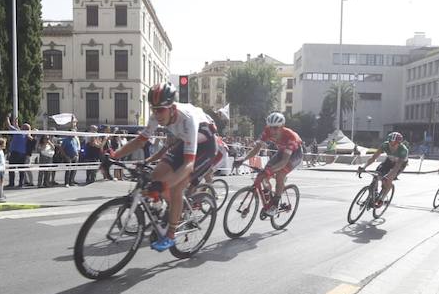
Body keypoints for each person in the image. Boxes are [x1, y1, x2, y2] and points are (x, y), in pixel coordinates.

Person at [112, 83, 217, 251]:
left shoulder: (187, 118)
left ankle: (170, 235)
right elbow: (140, 141)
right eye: (154, 109)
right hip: (186, 142)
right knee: (156, 174)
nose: (157, 114)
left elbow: (189, 164)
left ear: (172, 108)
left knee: (176, 187)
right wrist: (113, 156)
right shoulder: (157, 115)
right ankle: (169, 207)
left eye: (161, 110)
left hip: (206, 147)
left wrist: (165, 185)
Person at [236, 112, 303, 208]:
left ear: (282, 126)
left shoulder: (291, 137)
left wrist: (270, 171)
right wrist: (244, 159)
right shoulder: (267, 131)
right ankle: (268, 193)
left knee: (280, 174)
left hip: (295, 154)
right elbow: (256, 149)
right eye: (270, 127)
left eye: (276, 128)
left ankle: (275, 204)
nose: (272, 130)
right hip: (282, 150)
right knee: (263, 175)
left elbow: (284, 161)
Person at [358, 132, 409, 205]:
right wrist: (364, 167)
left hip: (399, 165)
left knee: (388, 180)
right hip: (389, 161)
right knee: (376, 176)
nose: (391, 145)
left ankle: (382, 199)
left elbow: (397, 167)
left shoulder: (403, 150)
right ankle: (372, 195)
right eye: (390, 142)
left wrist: (388, 176)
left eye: (393, 143)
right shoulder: (385, 145)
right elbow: (373, 158)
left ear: (399, 143)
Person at [61, 121, 81, 186]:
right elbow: (62, 149)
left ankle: (71, 181)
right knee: (68, 170)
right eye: (73, 133)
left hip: (75, 156)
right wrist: (66, 156)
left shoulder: (75, 139)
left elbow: (77, 147)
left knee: (74, 169)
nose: (74, 134)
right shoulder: (66, 140)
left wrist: (77, 154)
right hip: (68, 157)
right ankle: (66, 182)